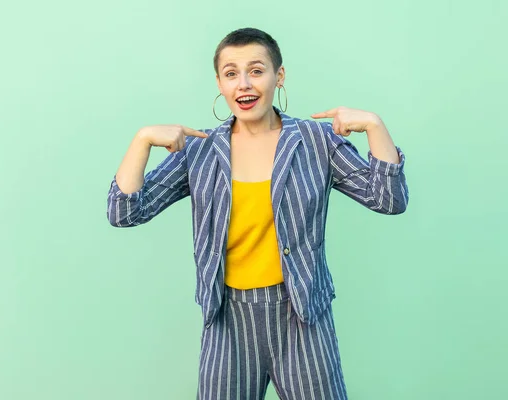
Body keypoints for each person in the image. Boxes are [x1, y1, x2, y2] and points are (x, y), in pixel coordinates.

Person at [107, 27, 408, 400]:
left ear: (278, 76)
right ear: (219, 83)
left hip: (301, 315)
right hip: (227, 318)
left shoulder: (316, 141)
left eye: (256, 70)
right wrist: (142, 141)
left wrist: (374, 125)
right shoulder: (199, 150)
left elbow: (388, 199)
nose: (244, 84)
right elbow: (124, 212)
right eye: (231, 73)